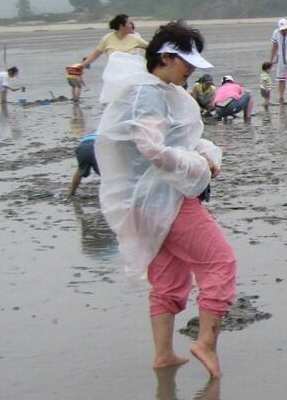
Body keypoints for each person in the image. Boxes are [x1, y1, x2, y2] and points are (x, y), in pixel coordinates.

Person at [96, 21, 236, 378]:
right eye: (185, 62)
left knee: (169, 276)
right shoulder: (150, 93)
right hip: (164, 199)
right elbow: (152, 149)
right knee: (219, 262)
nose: (190, 69)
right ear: (165, 57)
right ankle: (205, 342)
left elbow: (177, 140)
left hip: (141, 202)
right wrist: (199, 165)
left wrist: (202, 153)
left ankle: (163, 355)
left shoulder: (148, 88)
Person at [79, 14, 148, 75]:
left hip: (133, 74)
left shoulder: (135, 38)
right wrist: (79, 67)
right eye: (130, 23)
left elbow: (153, 48)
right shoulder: (107, 38)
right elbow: (94, 55)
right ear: (121, 26)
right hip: (114, 75)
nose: (132, 26)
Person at [69, 132, 99, 197]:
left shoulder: (94, 133)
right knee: (104, 172)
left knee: (80, 170)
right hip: (95, 145)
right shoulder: (108, 133)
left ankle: (72, 193)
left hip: (82, 146)